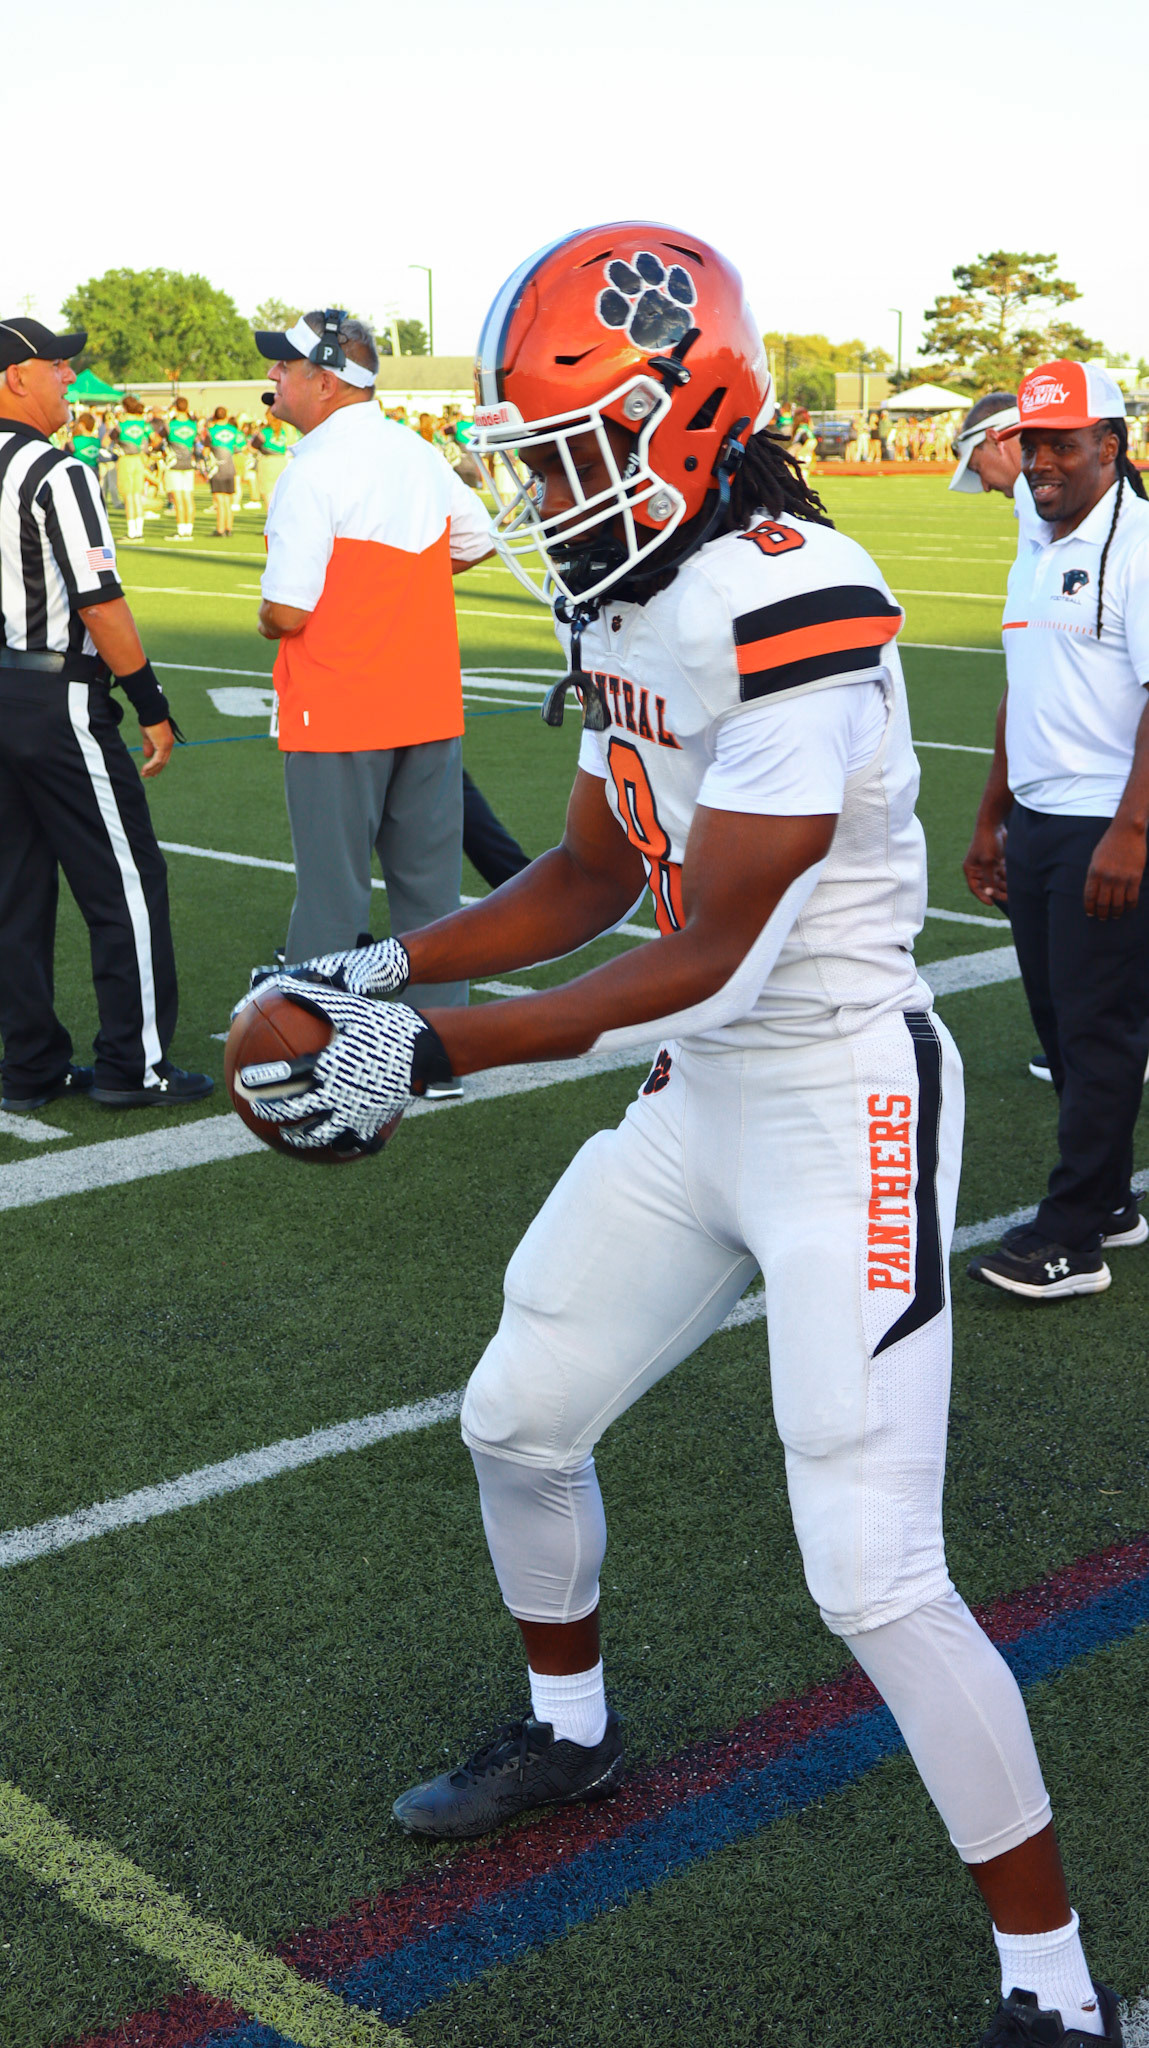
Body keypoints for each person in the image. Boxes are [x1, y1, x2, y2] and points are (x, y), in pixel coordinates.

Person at [248, 232, 1116, 2047]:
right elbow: (586, 872)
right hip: (702, 1091)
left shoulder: (796, 592)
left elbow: (708, 944)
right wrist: (372, 965)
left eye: (572, 448)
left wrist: (421, 1050)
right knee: (515, 1414)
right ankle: (568, 1727)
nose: (545, 491)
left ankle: (1050, 1986)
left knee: (870, 1570)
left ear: (687, 414)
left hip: (839, 1095)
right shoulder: (627, 590)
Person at [964, 359, 1149, 1301]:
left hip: (1104, 824)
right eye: (1030, 443)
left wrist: (1131, 833)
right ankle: (1109, 1202)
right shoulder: (1035, 542)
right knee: (1061, 1028)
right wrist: (989, 818)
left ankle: (1072, 1237)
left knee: (1097, 1030)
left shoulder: (1139, 546)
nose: (1039, 461)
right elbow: (1021, 687)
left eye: (1060, 444)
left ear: (1109, 446)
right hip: (1037, 822)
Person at [252, 308, 494, 1024]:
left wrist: (268, 617)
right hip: (426, 704)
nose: (274, 375)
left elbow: (286, 611)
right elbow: (476, 538)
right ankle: (438, 1051)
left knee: (332, 899)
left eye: (285, 364)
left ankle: (309, 1050)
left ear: (324, 381)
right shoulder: (415, 452)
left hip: (337, 711)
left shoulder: (312, 469)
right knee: (431, 900)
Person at [0, 316, 212, 1111]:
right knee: (125, 881)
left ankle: (29, 1065)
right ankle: (135, 1063)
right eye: (56, 365)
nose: (68, 378)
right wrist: (151, 702)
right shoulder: (56, 472)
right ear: (15, 377)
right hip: (56, 695)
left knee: (13, 889)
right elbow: (99, 601)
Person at [111, 393, 151, 540]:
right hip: (139, 459)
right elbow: (152, 438)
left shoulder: (121, 423)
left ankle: (132, 531)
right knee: (137, 495)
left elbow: (107, 440)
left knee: (128, 496)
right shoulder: (143, 423)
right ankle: (139, 531)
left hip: (126, 459)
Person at [205, 404, 242, 537]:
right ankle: (228, 528)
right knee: (228, 500)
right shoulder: (234, 430)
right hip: (230, 467)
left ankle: (220, 529)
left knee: (219, 500)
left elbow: (205, 450)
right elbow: (240, 448)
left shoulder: (211, 431)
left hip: (218, 469)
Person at [166, 395, 198, 539]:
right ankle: (188, 530)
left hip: (175, 465)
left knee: (178, 499)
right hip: (189, 463)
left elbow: (158, 440)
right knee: (188, 497)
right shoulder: (193, 425)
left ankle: (181, 530)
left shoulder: (170, 425)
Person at [253, 410, 290, 512]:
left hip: (268, 462)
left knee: (268, 493)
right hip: (282, 461)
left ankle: (272, 518)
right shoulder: (284, 431)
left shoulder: (265, 432)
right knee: (279, 492)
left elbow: (253, 447)